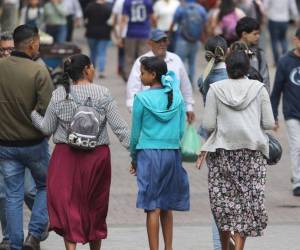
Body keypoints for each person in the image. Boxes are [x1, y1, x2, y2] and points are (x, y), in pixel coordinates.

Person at [31, 54, 130, 249]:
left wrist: (33, 114)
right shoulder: (103, 93)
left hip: (65, 157)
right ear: (86, 69)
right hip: (97, 157)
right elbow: (120, 129)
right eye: (92, 66)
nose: (93, 69)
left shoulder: (59, 94)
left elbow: (46, 128)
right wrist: (136, 154)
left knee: (69, 206)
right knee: (96, 205)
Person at [198, 50, 275, 250]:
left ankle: (225, 247)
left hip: (223, 152)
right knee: (247, 204)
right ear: (247, 68)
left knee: (222, 205)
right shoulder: (259, 89)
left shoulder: (215, 89)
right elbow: (268, 123)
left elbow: (207, 125)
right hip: (252, 154)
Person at [0, 25, 53, 250]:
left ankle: (14, 243)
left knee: (11, 195)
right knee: (48, 184)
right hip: (33, 144)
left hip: (5, 144)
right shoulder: (38, 71)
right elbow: (47, 110)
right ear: (32, 44)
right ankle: (35, 232)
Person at [129, 56, 190, 250]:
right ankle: (169, 247)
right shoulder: (176, 96)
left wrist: (133, 158)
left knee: (152, 207)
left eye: (143, 72)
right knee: (167, 205)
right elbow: (181, 131)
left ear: (153, 74)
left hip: (148, 154)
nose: (140, 76)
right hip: (172, 154)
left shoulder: (141, 99)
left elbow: (135, 134)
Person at [126, 29, 195, 123]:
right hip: (149, 114)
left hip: (174, 113)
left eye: (164, 41)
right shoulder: (141, 62)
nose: (162, 44)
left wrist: (189, 106)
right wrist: (135, 110)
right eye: (158, 41)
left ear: (168, 42)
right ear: (150, 43)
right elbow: (133, 89)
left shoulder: (176, 60)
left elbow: (185, 86)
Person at [270, 28, 300, 197]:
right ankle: (297, 182)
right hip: (292, 113)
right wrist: (273, 116)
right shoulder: (285, 62)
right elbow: (276, 91)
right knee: (297, 146)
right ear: (296, 40)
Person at [170, 0, 207, 84]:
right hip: (195, 40)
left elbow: (173, 22)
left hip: (182, 39)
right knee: (192, 62)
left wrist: (169, 35)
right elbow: (204, 25)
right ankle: (190, 82)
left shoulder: (181, 8)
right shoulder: (201, 9)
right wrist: (205, 39)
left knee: (179, 61)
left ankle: (179, 82)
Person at [120, 0, 155, 80]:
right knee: (144, 57)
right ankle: (145, 76)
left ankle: (129, 78)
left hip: (131, 33)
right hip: (144, 33)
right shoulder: (147, 2)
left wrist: (121, 35)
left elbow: (123, 19)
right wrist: (154, 28)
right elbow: (152, 17)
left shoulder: (127, 2)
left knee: (129, 57)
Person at [235, 16, 270, 92]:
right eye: (255, 34)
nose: (258, 36)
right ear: (244, 34)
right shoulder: (231, 52)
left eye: (259, 33)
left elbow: (265, 79)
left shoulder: (259, 54)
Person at [264, 0, 300, 65]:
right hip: (284, 19)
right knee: (283, 39)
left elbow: (265, 5)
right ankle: (286, 60)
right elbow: (293, 6)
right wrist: (296, 17)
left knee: (274, 40)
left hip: (273, 18)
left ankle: (276, 61)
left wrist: (264, 15)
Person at [84, 0, 112, 79]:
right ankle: (101, 71)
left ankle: (91, 70)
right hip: (104, 33)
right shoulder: (108, 8)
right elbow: (111, 21)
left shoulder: (90, 6)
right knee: (102, 52)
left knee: (93, 52)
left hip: (91, 32)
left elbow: (85, 18)